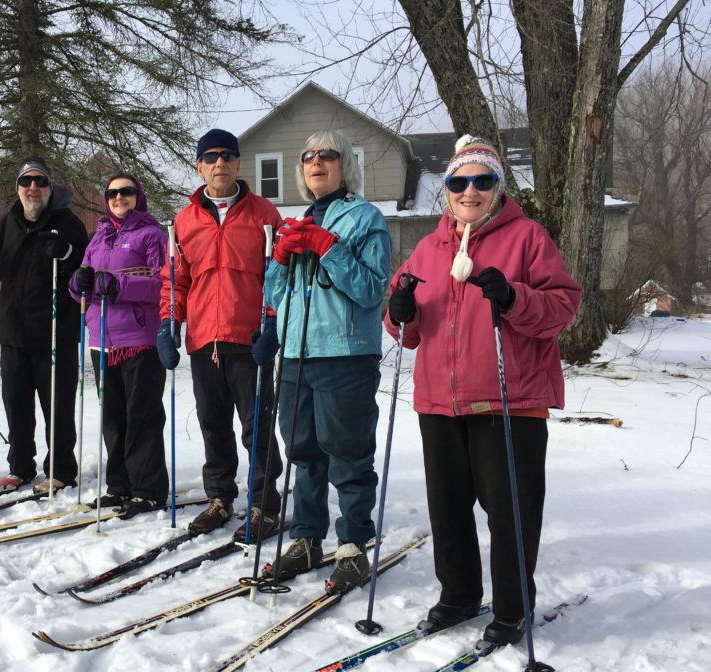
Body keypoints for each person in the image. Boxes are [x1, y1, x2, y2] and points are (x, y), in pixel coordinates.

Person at [384, 135, 581, 645]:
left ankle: (513, 607)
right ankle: (459, 595)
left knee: (511, 510)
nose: (469, 191)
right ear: (446, 190)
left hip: (508, 397)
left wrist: (514, 297)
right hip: (438, 400)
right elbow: (405, 329)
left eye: (482, 181)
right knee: (447, 507)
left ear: (497, 187)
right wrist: (398, 313)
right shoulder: (428, 249)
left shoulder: (527, 238)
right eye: (459, 182)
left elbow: (562, 307)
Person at [263, 129, 391, 593]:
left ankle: (353, 545)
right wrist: (279, 259)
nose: (316, 162)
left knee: (347, 451)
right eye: (308, 156)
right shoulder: (294, 222)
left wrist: (330, 249)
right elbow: (277, 296)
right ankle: (308, 537)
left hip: (345, 353)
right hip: (297, 353)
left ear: (345, 165)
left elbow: (373, 289)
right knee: (302, 451)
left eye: (327, 155)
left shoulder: (365, 217)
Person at [158, 128, 284, 540]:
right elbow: (175, 279)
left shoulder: (265, 215)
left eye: (227, 156)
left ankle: (265, 503)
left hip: (248, 339)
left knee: (256, 425)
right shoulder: (183, 220)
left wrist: (271, 325)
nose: (219, 164)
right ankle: (220, 498)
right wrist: (168, 323)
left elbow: (277, 276)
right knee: (213, 423)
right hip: (203, 341)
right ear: (199, 166)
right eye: (210, 157)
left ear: (238, 163)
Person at [0, 157, 88, 492]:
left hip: (54, 332)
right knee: (16, 407)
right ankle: (20, 468)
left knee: (57, 408)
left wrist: (67, 253)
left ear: (50, 187)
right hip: (13, 333)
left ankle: (60, 470)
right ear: (18, 187)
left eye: (40, 182)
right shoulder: (8, 222)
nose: (33, 188)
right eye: (26, 182)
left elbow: (84, 267)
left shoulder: (67, 223)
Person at [69, 173, 169, 517]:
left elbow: (163, 284)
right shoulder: (97, 238)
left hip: (139, 340)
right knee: (113, 418)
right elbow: (82, 282)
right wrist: (76, 282)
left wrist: (120, 285)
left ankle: (148, 489)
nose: (118, 197)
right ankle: (119, 486)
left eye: (126, 191)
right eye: (112, 193)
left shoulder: (152, 234)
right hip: (102, 340)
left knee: (141, 415)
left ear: (137, 196)